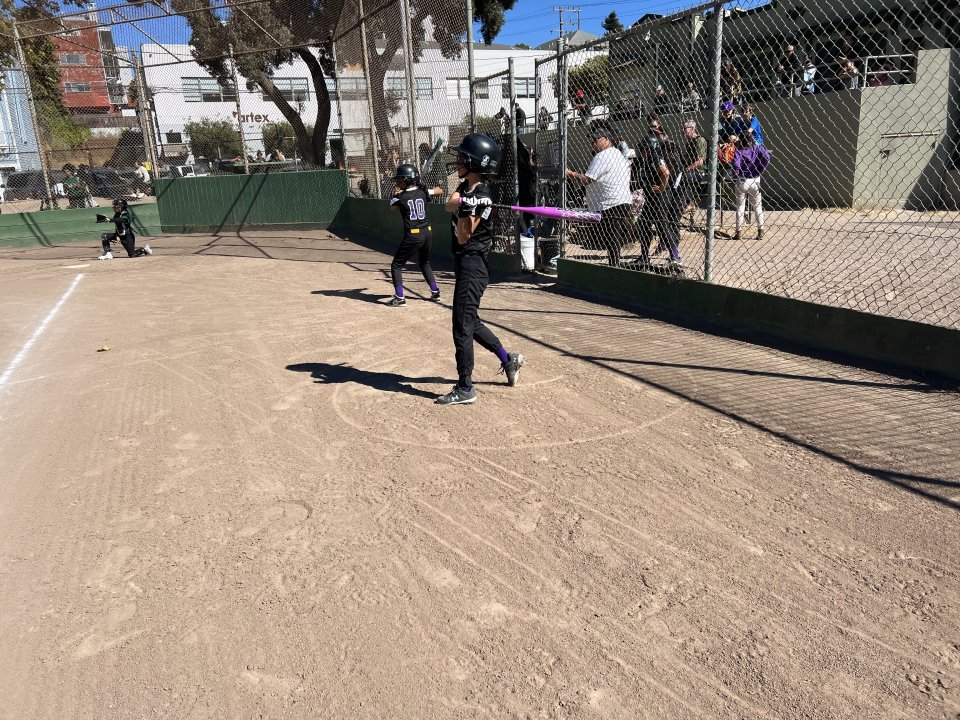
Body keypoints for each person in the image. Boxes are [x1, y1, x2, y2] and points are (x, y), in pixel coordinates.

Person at [437, 132, 524, 406]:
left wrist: (469, 210)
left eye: (463, 158)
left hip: (474, 264)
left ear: (477, 163)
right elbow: (447, 204)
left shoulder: (483, 194)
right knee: (469, 321)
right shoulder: (467, 189)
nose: (458, 161)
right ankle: (508, 360)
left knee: (461, 325)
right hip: (466, 264)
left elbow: (464, 237)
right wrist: (465, 203)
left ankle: (465, 387)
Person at [564, 125, 632, 268]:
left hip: (611, 203)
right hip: (619, 201)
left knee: (612, 237)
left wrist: (570, 173)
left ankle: (614, 266)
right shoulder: (616, 153)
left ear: (606, 140)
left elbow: (587, 180)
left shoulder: (602, 156)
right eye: (592, 141)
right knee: (611, 236)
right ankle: (614, 264)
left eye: (595, 140)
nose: (593, 143)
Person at [386, 164, 444, 307]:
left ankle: (399, 298)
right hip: (427, 232)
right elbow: (440, 190)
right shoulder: (423, 192)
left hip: (413, 235)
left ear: (407, 180)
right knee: (424, 262)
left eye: (400, 180)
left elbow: (392, 209)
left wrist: (397, 194)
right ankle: (435, 291)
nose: (398, 183)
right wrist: (424, 189)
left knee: (396, 265)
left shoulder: (400, 197)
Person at [635, 121, 682, 273]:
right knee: (643, 223)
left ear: (649, 148)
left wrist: (662, 187)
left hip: (662, 195)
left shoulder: (655, 156)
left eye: (643, 148)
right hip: (652, 196)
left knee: (662, 225)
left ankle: (675, 257)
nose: (640, 151)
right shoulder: (646, 159)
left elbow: (666, 173)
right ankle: (644, 256)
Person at [731, 132, 771, 241]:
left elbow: (736, 165)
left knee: (740, 207)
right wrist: (761, 168)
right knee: (757, 206)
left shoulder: (739, 152)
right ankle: (760, 230)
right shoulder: (757, 148)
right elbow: (767, 157)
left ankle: (738, 232)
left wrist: (735, 174)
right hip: (755, 180)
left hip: (742, 180)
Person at [680, 119, 707, 226]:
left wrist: (687, 169)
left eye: (684, 128)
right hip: (691, 171)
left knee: (683, 177)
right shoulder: (689, 143)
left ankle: (690, 203)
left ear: (692, 129)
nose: (682, 131)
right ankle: (688, 203)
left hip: (699, 172)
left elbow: (700, 161)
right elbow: (686, 160)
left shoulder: (699, 140)